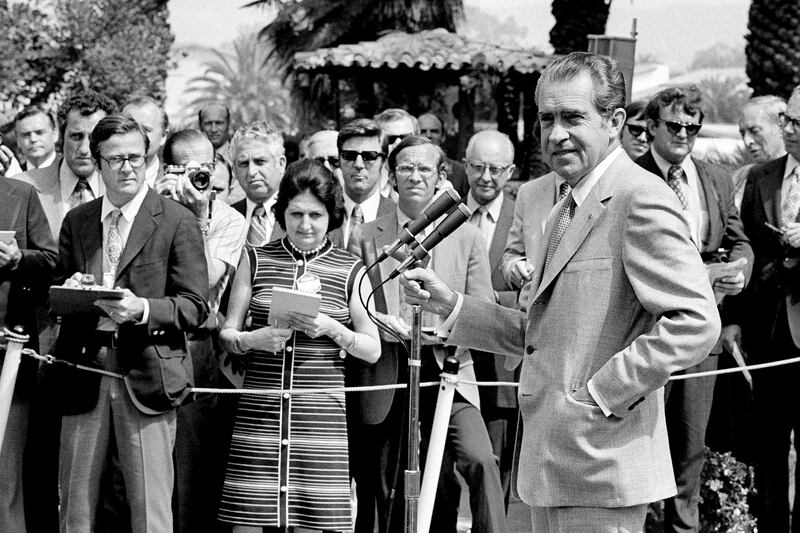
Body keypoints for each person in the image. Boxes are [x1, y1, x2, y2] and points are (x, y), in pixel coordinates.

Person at [400, 52, 721, 532]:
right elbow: (536, 331)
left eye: (573, 117)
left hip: (602, 465)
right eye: (546, 118)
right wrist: (451, 303)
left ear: (614, 122)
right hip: (548, 465)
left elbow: (696, 323)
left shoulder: (641, 197)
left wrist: (600, 393)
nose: (555, 134)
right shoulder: (562, 206)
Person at [51, 114, 209, 532]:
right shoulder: (78, 221)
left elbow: (195, 307)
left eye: (136, 158)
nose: (127, 168)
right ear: (98, 163)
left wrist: (142, 309)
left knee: (151, 511)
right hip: (85, 371)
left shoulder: (176, 220)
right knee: (75, 511)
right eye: (116, 159)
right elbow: (56, 298)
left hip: (147, 374)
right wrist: (71, 289)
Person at [351, 135, 507, 533]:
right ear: (391, 176)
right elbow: (356, 298)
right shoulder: (369, 234)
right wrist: (378, 324)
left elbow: (483, 312)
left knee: (479, 459)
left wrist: (446, 328)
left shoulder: (467, 234)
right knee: (389, 480)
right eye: (406, 167)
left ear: (440, 177)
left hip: (448, 371)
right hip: (390, 369)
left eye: (424, 168)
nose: (415, 176)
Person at [217, 158, 380, 532]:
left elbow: (372, 348)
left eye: (316, 215)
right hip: (260, 411)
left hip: (320, 418)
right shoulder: (255, 258)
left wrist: (331, 329)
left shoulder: (350, 268)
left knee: (312, 523)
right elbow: (227, 333)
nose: (305, 225)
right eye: (296, 214)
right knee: (247, 521)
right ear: (282, 213)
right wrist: (251, 339)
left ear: (332, 216)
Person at [637, 84, 753, 533]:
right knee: (643, 442)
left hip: (702, 334)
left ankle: (684, 528)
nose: (684, 134)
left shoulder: (716, 179)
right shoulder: (632, 177)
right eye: (674, 125)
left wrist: (740, 266)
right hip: (646, 332)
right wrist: (695, 276)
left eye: (693, 126)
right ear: (651, 127)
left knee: (690, 446)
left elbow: (737, 238)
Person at [155, 129, 247, 533]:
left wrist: (199, 218)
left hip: (198, 348)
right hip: (149, 340)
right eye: (187, 170)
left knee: (194, 472)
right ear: (167, 170)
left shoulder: (227, 218)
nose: (199, 179)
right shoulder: (149, 210)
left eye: (206, 169)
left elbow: (206, 282)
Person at [735, 84, 800, 533]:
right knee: (769, 448)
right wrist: (735, 318)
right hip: (768, 335)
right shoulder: (761, 177)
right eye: (787, 121)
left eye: (797, 123)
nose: (789, 130)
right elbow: (745, 249)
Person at [463, 130, 519, 509]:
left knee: (494, 471)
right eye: (478, 167)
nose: (486, 177)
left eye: (496, 169)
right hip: (452, 357)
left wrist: (491, 300)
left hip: (501, 365)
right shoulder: (445, 212)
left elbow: (541, 291)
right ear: (464, 166)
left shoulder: (526, 215)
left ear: (511, 171)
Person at [0, 177, 58, 533]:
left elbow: (52, 261)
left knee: (6, 475)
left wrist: (19, 257)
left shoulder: (20, 194)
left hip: (8, 357)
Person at [16, 90, 118, 240]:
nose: (84, 149)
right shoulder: (22, 187)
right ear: (61, 137)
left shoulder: (124, 188)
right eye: (76, 136)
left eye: (93, 137)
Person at [229, 121, 287, 246]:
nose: (251, 172)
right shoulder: (227, 216)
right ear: (234, 170)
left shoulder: (300, 213)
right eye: (244, 163)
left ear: (281, 164)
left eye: (260, 161)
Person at [731, 95, 787, 209]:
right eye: (743, 134)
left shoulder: (796, 177)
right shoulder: (741, 178)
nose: (747, 141)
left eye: (755, 131)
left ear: (781, 127)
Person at [199, 103, 244, 203]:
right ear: (200, 125)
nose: (214, 129)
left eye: (219, 123)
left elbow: (239, 197)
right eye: (208, 123)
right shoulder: (192, 158)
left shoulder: (240, 157)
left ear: (228, 124)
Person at [122, 95, 169, 189]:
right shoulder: (104, 177)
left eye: (146, 130)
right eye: (130, 128)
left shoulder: (172, 180)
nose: (137, 136)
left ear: (163, 135)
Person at [418, 112, 469, 197]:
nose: (428, 135)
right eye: (422, 131)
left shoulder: (459, 171)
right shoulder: (406, 169)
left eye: (434, 131)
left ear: (443, 136)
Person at [13, 105, 59, 172]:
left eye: (39, 132)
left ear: (54, 135)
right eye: (26, 135)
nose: (33, 139)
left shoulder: (72, 171)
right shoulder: (12, 177)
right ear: (18, 141)